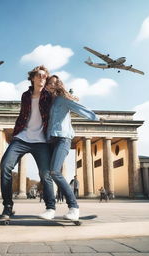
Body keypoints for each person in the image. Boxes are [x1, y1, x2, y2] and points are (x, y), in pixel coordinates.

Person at [0, 65, 56, 219]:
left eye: (45, 76)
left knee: (46, 174)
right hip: (22, 138)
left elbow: (63, 101)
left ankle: (50, 207)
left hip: (42, 141)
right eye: (39, 75)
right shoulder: (25, 95)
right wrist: (15, 133)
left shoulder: (50, 95)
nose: (42, 78)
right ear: (32, 77)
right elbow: (22, 116)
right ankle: (8, 206)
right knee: (5, 166)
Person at [44, 75, 99, 221]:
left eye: (54, 83)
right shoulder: (49, 102)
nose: (50, 85)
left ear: (58, 85)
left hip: (63, 138)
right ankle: (50, 208)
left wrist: (96, 117)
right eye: (49, 83)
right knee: (47, 173)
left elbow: (79, 108)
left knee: (55, 172)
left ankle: (74, 207)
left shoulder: (63, 99)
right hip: (51, 140)